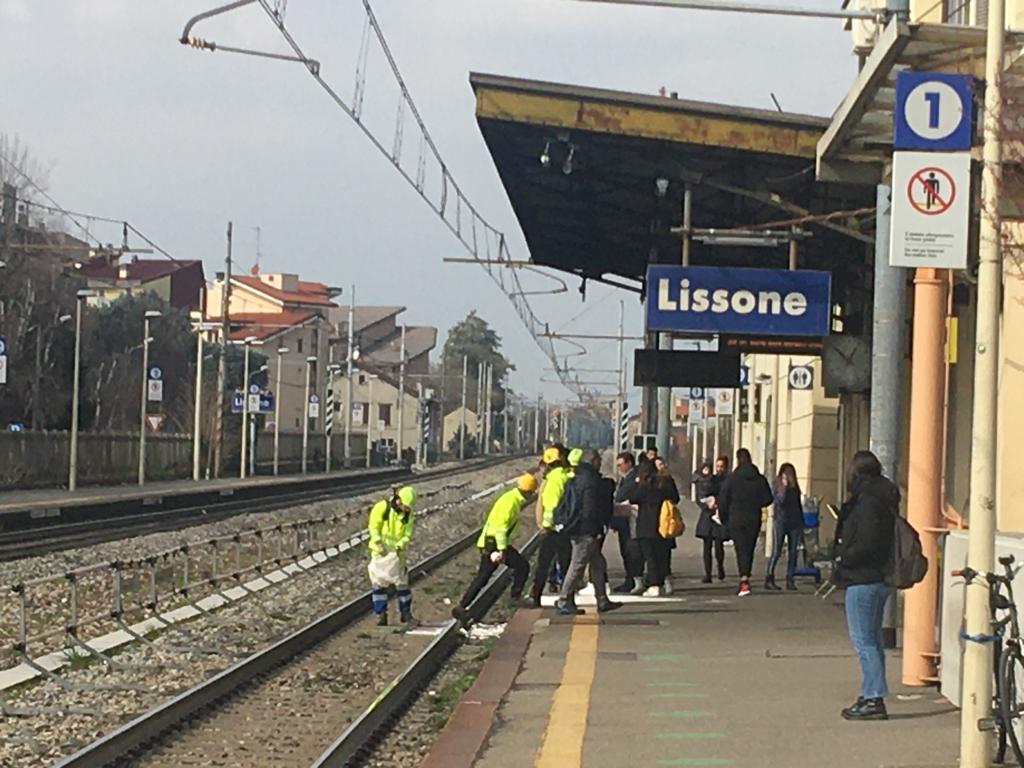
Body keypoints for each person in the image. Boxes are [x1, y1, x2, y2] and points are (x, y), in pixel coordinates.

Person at [834, 450, 897, 721]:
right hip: (878, 577)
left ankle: (873, 697)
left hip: (862, 577)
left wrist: (843, 556)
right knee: (872, 641)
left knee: (864, 642)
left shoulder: (867, 502)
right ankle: (871, 692)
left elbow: (867, 543)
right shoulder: (883, 498)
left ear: (856, 472)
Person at [453, 473, 538, 621]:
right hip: (493, 544)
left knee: (486, 576)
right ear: (528, 491)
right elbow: (500, 528)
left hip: (493, 543)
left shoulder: (511, 498)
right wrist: (502, 550)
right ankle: (462, 607)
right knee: (519, 567)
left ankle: (462, 606)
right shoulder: (511, 502)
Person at [556, 449, 621, 615]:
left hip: (576, 527)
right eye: (598, 460)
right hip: (586, 530)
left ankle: (602, 599)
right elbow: (590, 508)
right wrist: (596, 528)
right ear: (593, 461)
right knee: (577, 565)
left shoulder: (577, 478)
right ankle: (564, 600)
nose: (600, 464)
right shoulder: (591, 481)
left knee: (598, 563)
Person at [719, 448, 773, 598]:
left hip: (735, 518)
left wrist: (724, 518)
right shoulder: (759, 479)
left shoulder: (732, 479)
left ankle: (744, 579)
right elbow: (768, 498)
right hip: (753, 517)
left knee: (740, 548)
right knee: (749, 548)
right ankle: (745, 577)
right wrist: (756, 503)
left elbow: (723, 500)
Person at [624, 460, 680, 595]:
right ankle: (662, 582)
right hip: (662, 525)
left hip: (646, 526)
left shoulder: (644, 487)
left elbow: (631, 497)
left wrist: (636, 482)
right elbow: (675, 498)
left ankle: (655, 585)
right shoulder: (664, 485)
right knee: (661, 556)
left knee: (650, 557)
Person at [527, 446, 573, 607]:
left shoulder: (554, 479)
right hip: (566, 527)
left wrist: (546, 526)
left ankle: (536, 595)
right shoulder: (567, 475)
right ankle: (567, 597)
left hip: (553, 530)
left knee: (544, 563)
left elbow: (551, 506)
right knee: (567, 563)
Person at [368, 486, 417, 626]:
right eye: (404, 506)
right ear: (398, 500)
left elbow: (407, 534)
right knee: (378, 584)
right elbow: (373, 526)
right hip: (380, 552)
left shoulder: (408, 515)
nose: (405, 509)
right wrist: (378, 542)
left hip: (397, 554)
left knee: (402, 585)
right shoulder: (382, 508)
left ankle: (405, 613)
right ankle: (381, 614)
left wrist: (399, 546)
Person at [766, 463, 804, 591]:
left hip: (794, 522)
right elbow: (779, 502)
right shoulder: (777, 486)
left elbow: (798, 506)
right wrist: (785, 488)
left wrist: (802, 524)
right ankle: (769, 577)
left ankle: (790, 579)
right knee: (777, 550)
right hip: (780, 521)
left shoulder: (795, 488)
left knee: (793, 552)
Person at [610, 451, 640, 593]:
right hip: (623, 520)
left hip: (631, 520)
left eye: (621, 465)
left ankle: (632, 580)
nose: (619, 468)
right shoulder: (625, 478)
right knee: (626, 551)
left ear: (629, 463)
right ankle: (630, 579)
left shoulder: (633, 478)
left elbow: (623, 495)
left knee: (631, 551)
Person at [694, 460, 727, 583]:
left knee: (719, 544)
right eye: (717, 466)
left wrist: (718, 504)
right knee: (706, 546)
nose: (719, 469)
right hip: (707, 515)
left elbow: (725, 495)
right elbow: (700, 497)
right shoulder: (707, 480)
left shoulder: (725, 480)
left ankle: (720, 567)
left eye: (721, 466)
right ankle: (707, 573)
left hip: (718, 514)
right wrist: (707, 506)